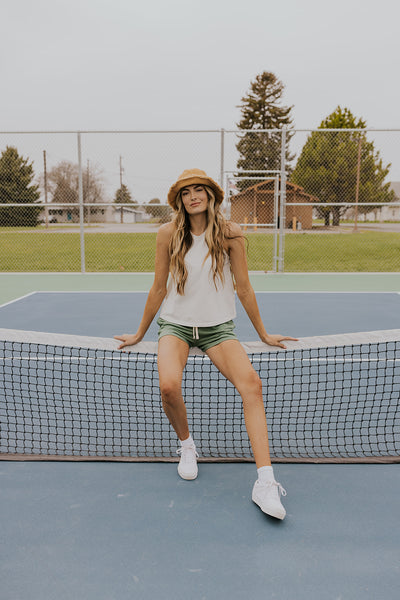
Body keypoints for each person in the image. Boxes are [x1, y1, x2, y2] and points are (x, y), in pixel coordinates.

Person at [115, 168, 297, 520]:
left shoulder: (231, 233)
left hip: (218, 329)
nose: (193, 196)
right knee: (168, 386)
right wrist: (139, 333)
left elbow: (243, 287)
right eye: (186, 192)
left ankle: (265, 483)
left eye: (199, 190)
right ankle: (187, 446)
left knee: (253, 386)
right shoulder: (167, 233)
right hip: (176, 326)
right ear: (180, 200)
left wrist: (262, 333)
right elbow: (157, 287)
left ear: (211, 195)